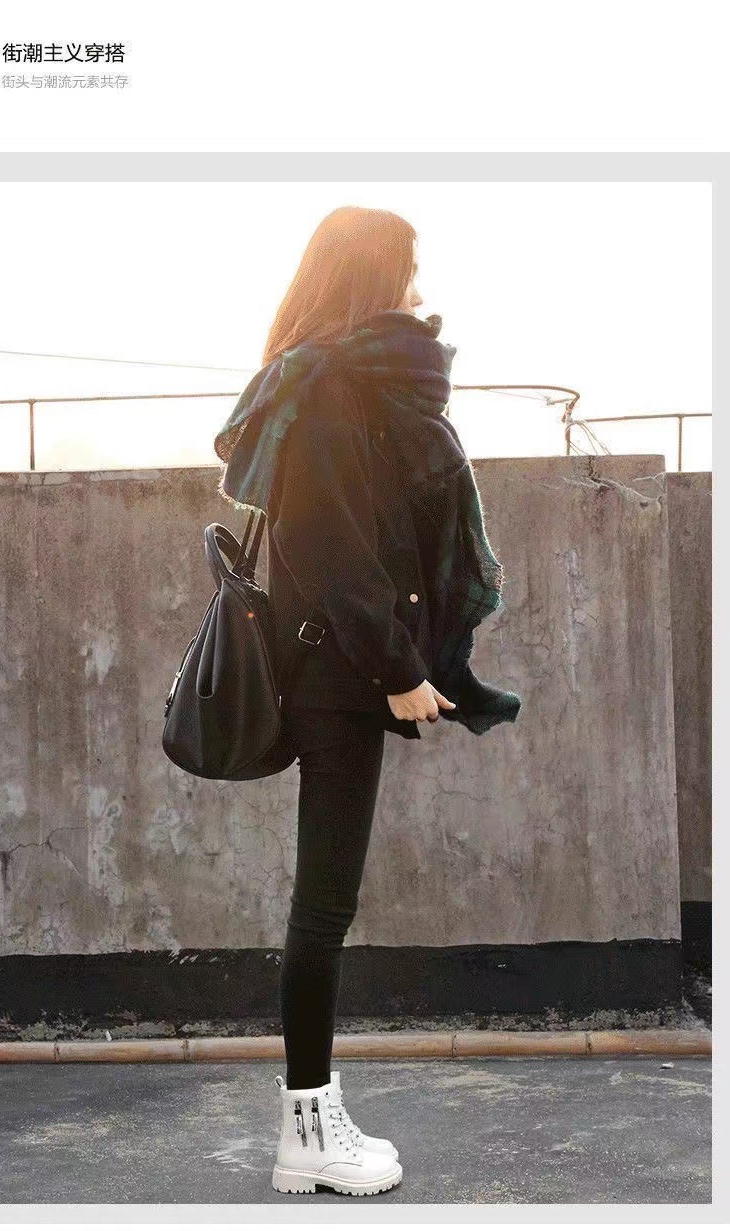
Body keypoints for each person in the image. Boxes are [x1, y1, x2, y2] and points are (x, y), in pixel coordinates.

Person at [213, 206, 521, 1197]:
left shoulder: (345, 382)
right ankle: (306, 1133)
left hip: (340, 672)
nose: (418, 292)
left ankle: (311, 1121)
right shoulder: (327, 385)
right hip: (336, 679)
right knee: (323, 907)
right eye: (408, 270)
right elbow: (328, 544)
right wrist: (395, 666)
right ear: (373, 273)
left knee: (325, 904)